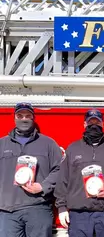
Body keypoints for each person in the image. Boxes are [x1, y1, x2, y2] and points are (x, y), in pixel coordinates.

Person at [54, 108, 104, 237]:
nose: (94, 125)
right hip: (79, 214)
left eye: (97, 123)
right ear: (84, 124)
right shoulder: (73, 149)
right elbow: (62, 180)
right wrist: (61, 208)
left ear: (103, 124)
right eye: (90, 122)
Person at [0, 102, 62, 237]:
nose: (24, 119)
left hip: (38, 208)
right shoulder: (2, 144)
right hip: (7, 212)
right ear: (14, 118)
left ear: (33, 118)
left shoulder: (48, 143)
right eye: (20, 116)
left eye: (28, 116)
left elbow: (60, 169)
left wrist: (43, 186)